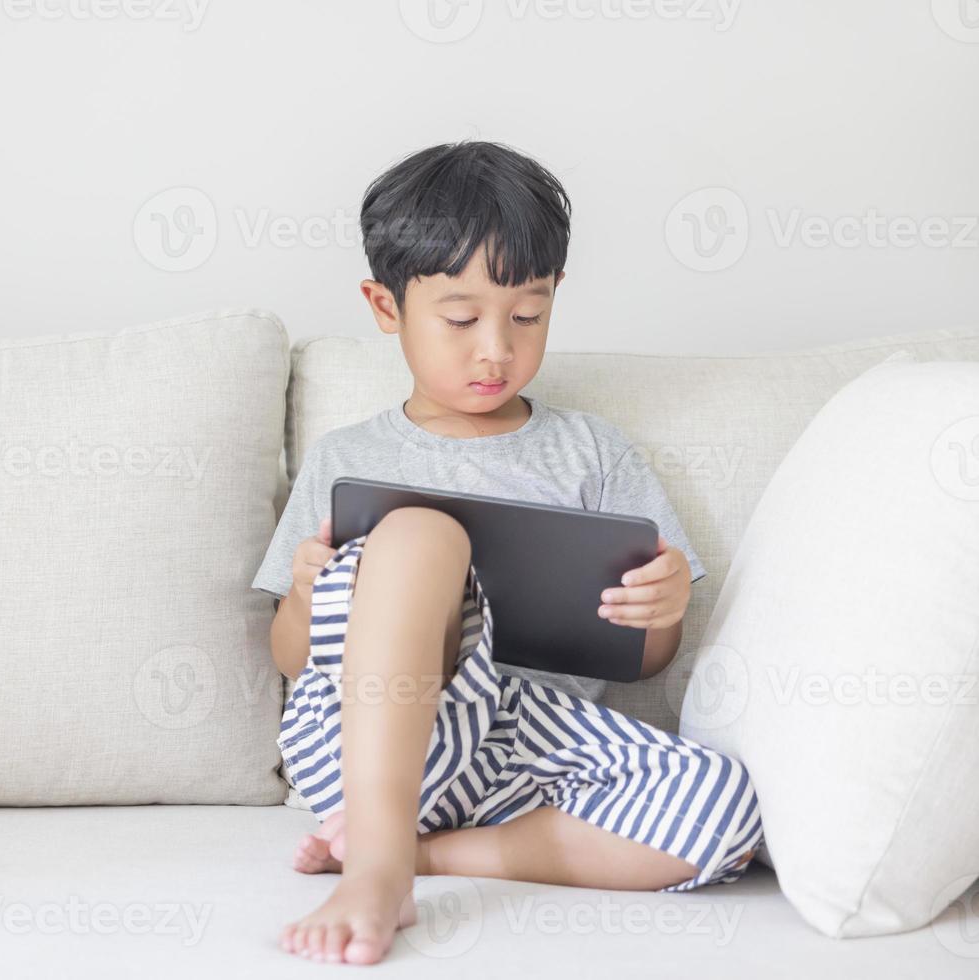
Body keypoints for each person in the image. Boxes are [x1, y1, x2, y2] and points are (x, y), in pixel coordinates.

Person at [249, 140, 763, 966]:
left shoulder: (593, 451)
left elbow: (642, 660)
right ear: (386, 307)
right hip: (364, 732)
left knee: (724, 811)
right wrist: (310, 597)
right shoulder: (346, 458)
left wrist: (661, 612)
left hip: (525, 748)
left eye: (526, 316)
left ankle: (421, 856)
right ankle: (379, 866)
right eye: (461, 319)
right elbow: (287, 654)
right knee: (419, 534)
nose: (496, 348)